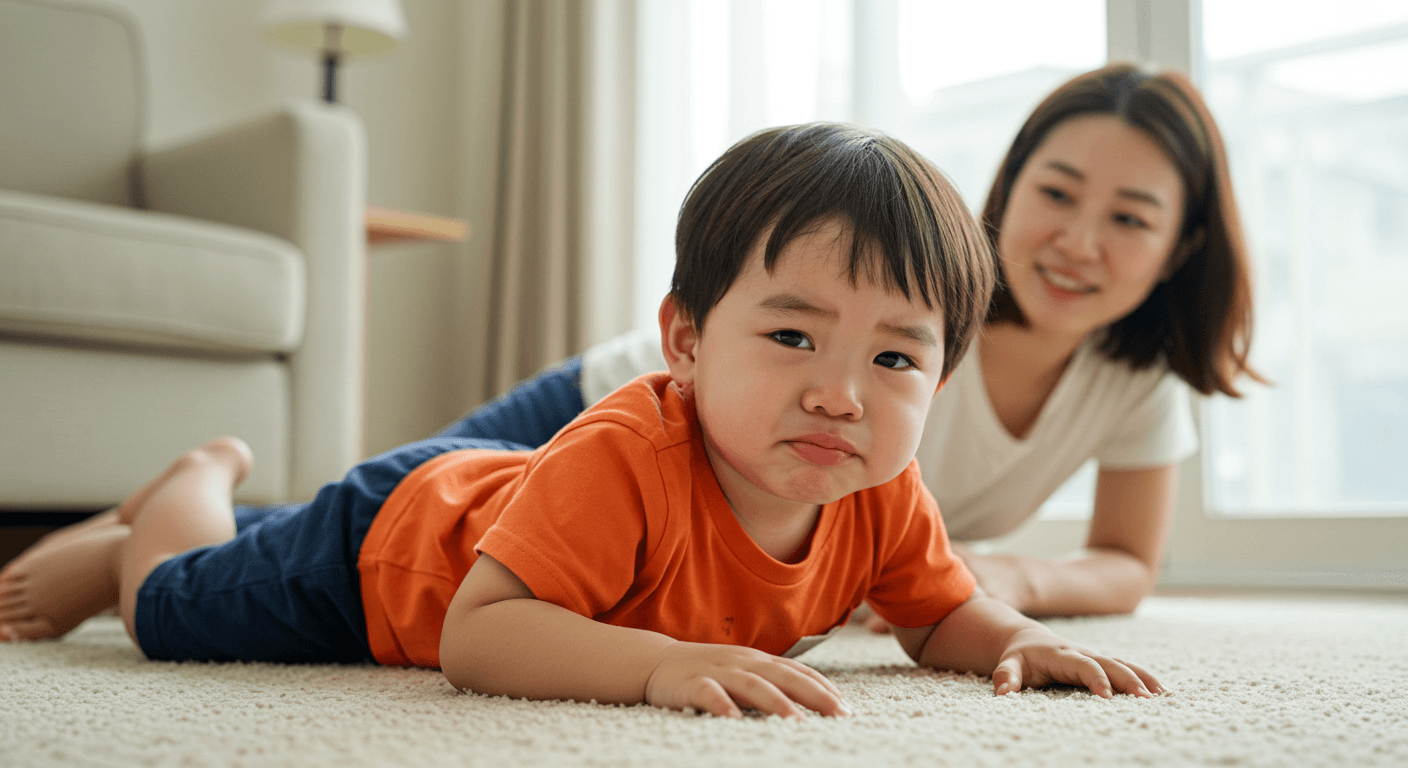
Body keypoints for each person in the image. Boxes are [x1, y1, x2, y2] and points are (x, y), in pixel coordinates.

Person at [0, 123, 1162, 717]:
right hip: (386, 549)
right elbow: (479, 637)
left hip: (502, 501)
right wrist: (658, 668)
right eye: (794, 335)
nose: (839, 393)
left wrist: (1013, 640)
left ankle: (209, 503)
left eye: (895, 356)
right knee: (170, 616)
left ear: (941, 378)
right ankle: (175, 498)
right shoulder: (626, 453)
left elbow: (936, 613)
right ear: (687, 339)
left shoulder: (877, 489)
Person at [429, 64, 1260, 621]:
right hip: (596, 416)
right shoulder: (915, 298)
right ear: (1011, 186)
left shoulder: (1137, 379)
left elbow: (1125, 561)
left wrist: (1013, 577)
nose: (1079, 242)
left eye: (1128, 219)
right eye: (1057, 192)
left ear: (1181, 246)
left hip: (718, 525)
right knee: (383, 540)